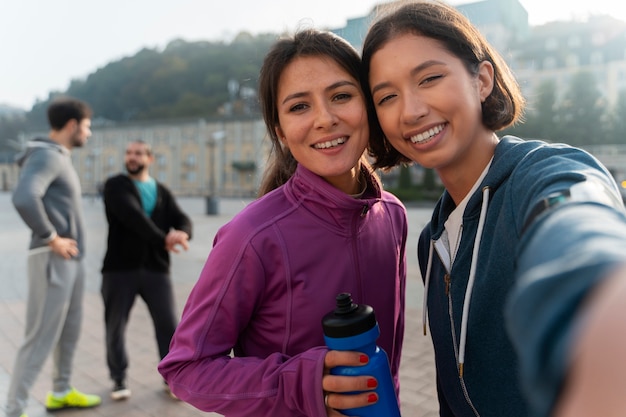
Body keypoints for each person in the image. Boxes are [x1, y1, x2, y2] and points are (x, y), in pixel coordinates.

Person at [360, 1, 626, 417]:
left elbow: (574, 219)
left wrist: (599, 298)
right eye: (387, 96)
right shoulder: (432, 240)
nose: (410, 110)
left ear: (482, 80)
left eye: (429, 78)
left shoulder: (541, 174)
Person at [158, 29, 408, 416]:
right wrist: (302, 382)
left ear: (369, 106)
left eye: (341, 96)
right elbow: (186, 368)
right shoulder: (252, 236)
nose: (325, 119)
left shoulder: (392, 215)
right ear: (280, 131)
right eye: (299, 107)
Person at [7, 97, 101, 417]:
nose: (89, 134)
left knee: (69, 330)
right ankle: (14, 408)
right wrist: (51, 238)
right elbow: (23, 197)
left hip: (70, 260)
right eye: (87, 127)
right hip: (52, 259)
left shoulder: (59, 156)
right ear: (72, 125)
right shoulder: (47, 156)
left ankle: (61, 391)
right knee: (39, 336)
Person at [100, 139, 192, 400]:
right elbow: (132, 216)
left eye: (138, 153)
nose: (132, 157)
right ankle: (118, 380)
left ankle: (171, 379)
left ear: (150, 159)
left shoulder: (161, 190)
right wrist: (164, 239)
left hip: (156, 269)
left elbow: (182, 218)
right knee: (115, 326)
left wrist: (183, 234)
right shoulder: (116, 185)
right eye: (129, 152)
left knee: (169, 326)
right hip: (119, 269)